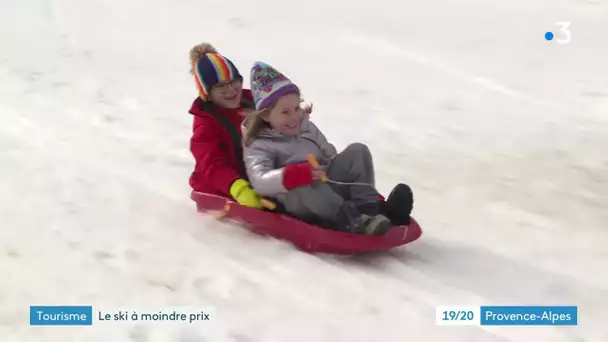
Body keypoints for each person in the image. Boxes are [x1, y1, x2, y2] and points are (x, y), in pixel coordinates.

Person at [242, 61, 413, 235]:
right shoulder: (258, 144)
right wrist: (294, 175)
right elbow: (259, 181)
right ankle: (352, 221)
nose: (294, 116)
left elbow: (330, 156)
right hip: (299, 201)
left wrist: (346, 173)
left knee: (358, 151)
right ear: (265, 115)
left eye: (296, 108)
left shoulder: (305, 126)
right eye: (285, 112)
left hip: (326, 188)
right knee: (305, 182)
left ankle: (370, 211)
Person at [187, 43, 263, 209]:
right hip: (222, 189)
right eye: (220, 86)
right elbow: (212, 164)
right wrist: (238, 188)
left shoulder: (254, 103)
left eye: (233, 81)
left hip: (259, 174)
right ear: (208, 94)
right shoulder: (207, 124)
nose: (231, 90)